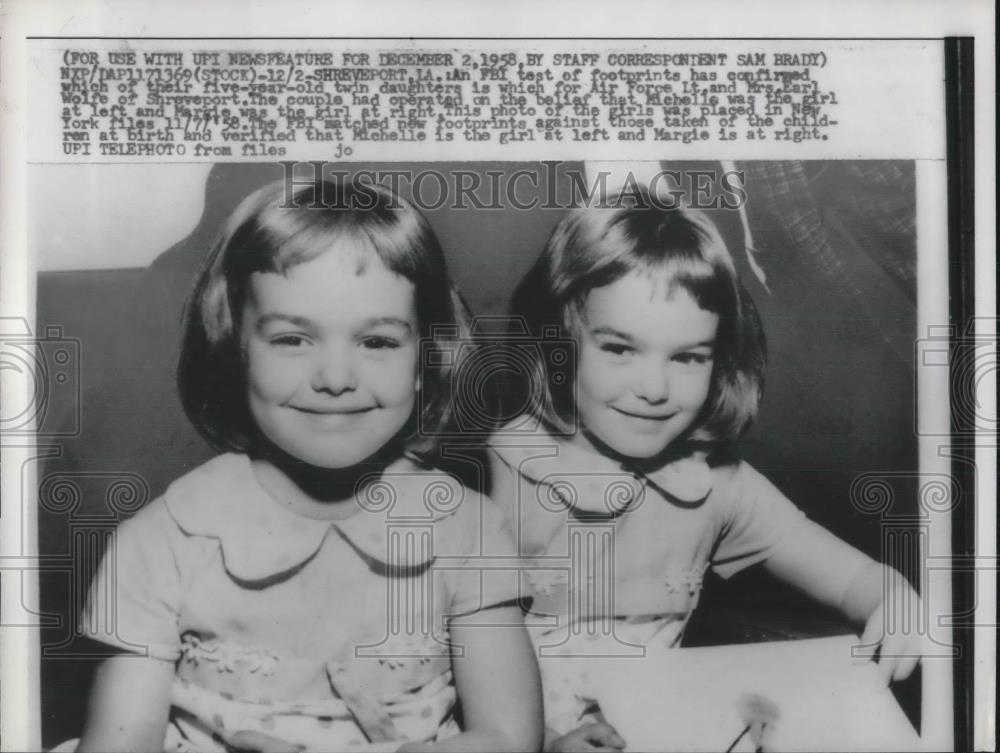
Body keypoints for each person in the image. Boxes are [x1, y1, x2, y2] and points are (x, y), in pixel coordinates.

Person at [74, 178, 542, 753]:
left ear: (426, 355)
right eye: (293, 339)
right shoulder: (159, 544)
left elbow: (509, 738)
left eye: (377, 342)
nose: (336, 377)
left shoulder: (468, 529)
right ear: (234, 347)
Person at [487, 192, 921, 752]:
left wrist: (893, 596)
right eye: (620, 349)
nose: (654, 388)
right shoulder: (491, 476)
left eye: (687, 357)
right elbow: (424, 670)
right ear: (557, 342)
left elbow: (848, 575)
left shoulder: (716, 483)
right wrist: (543, 741)